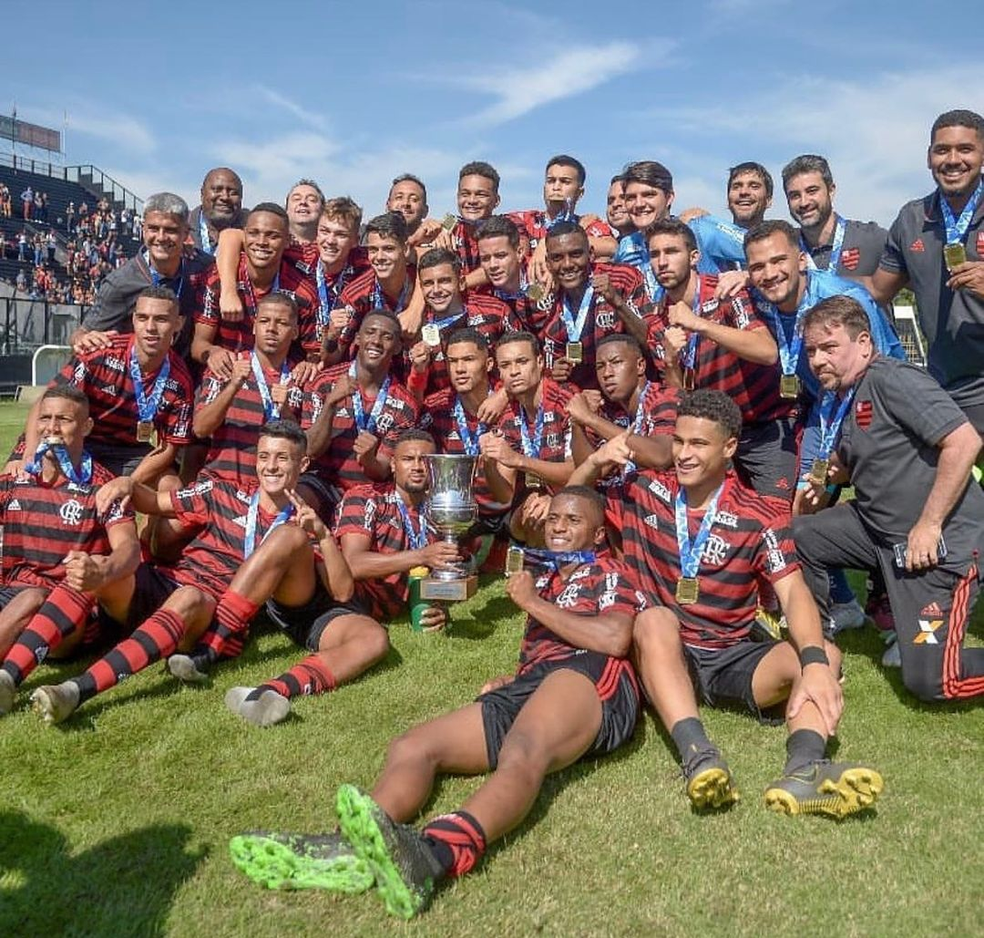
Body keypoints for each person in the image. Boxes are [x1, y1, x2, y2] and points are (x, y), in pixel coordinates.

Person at [230, 486, 645, 919]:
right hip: (537, 685)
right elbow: (542, 654)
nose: (558, 527)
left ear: (598, 534)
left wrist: (532, 604)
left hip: (589, 677)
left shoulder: (608, 571)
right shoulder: (544, 577)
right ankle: (348, 849)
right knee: (413, 746)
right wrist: (514, 677)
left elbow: (614, 639)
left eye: (573, 521)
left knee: (522, 751)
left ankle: (433, 855)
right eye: (554, 518)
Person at [573, 390, 883, 817]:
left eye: (698, 444)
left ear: (730, 447)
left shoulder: (759, 514)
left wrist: (812, 664)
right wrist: (593, 462)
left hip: (729, 655)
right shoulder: (644, 490)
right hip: (665, 653)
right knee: (654, 619)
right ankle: (699, 754)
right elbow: (571, 505)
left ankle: (806, 767)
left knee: (824, 654)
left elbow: (792, 590)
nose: (683, 454)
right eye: (679, 441)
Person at [28, 422, 320, 724]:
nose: (270, 466)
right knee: (99, 567)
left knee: (189, 596)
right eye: (264, 456)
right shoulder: (221, 491)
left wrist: (322, 538)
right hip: (166, 583)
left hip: (205, 612)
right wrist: (128, 484)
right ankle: (8, 677)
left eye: (282, 458)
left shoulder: (302, 529)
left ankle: (75, 690)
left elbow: (328, 589)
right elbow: (154, 502)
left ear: (304, 463)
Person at [793, 296, 984, 701]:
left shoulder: (892, 379)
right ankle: (817, 645)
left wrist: (929, 526)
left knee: (932, 681)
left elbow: (964, 442)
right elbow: (859, 456)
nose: (817, 360)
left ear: (864, 343)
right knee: (801, 534)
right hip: (881, 534)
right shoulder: (848, 392)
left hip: (938, 551)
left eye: (829, 348)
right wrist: (832, 475)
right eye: (811, 350)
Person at [0, 387, 139, 714]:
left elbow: (129, 549)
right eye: (45, 419)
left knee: (33, 596)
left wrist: (103, 571)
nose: (51, 428)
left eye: (63, 420)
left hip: (64, 617)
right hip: (9, 592)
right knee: (23, 595)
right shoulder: (17, 478)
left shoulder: (102, 487)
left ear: (87, 427)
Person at [645, 218, 786, 499]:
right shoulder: (656, 318)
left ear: (695, 256)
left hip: (763, 427)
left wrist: (700, 324)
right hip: (713, 438)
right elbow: (679, 393)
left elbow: (767, 351)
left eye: (671, 252)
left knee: (777, 516)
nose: (662, 262)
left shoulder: (724, 292)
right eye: (654, 254)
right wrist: (672, 361)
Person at [867, 109, 984, 437]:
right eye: (942, 149)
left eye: (965, 149)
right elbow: (877, 290)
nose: (952, 159)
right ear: (929, 157)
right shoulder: (912, 219)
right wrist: (806, 277)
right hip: (944, 386)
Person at [9, 286, 193, 484]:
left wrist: (127, 483)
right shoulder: (100, 354)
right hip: (78, 442)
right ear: (133, 320)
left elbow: (169, 448)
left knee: (171, 485)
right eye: (142, 318)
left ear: (178, 323)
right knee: (13, 477)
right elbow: (48, 400)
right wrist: (25, 453)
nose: (150, 327)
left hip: (129, 453)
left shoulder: (180, 381)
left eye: (161, 319)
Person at [299, 310, 419, 520]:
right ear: (357, 338)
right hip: (325, 485)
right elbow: (310, 450)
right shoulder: (323, 383)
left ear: (398, 347)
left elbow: (382, 470)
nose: (376, 341)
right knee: (297, 498)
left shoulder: (405, 404)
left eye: (387, 336)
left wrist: (368, 458)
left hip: (371, 492)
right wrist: (330, 403)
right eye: (370, 333)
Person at [73, 192, 210, 358]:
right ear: (143, 230)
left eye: (171, 230)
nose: (161, 237)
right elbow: (81, 333)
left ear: (186, 233)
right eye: (153, 228)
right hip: (138, 376)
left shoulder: (202, 266)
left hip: (186, 374)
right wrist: (82, 339)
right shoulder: (120, 283)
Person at [420, 328, 516, 564]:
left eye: (469, 360)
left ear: (489, 363)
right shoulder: (436, 407)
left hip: (508, 506)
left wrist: (506, 392)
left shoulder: (513, 406)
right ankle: (479, 546)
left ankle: (505, 543)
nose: (459, 369)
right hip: (458, 510)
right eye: (453, 361)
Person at [194, 292, 305, 482]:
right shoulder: (227, 366)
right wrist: (233, 387)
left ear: (295, 332)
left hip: (273, 492)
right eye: (264, 321)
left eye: (282, 323)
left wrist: (286, 413)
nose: (271, 328)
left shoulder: (302, 378)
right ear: (254, 327)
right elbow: (200, 429)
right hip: (222, 483)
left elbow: (308, 447)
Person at [193, 203, 320, 369]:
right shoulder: (217, 280)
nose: (261, 242)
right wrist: (213, 353)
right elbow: (199, 345)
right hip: (227, 373)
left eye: (272, 236)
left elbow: (313, 353)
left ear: (287, 241)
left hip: (278, 380)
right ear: (244, 236)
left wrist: (307, 365)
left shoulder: (302, 293)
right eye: (254, 233)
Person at [480, 332, 573, 546]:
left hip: (581, 494)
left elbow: (577, 472)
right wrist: (489, 462)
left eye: (522, 362)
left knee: (545, 514)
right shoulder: (507, 413)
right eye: (505, 365)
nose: (514, 371)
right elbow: (504, 495)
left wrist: (519, 460)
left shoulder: (565, 401)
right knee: (529, 512)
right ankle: (541, 567)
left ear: (540, 362)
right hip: (536, 498)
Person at [541, 222, 655, 389]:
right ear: (548, 262)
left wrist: (617, 303)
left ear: (591, 254)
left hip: (636, 394)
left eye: (575, 254)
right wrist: (554, 372)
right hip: (587, 398)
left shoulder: (622, 278)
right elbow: (550, 368)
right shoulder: (547, 300)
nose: (567, 264)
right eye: (557, 258)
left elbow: (652, 342)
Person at [405, 248, 507, 399]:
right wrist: (418, 370)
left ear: (460, 282)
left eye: (444, 281)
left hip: (501, 407)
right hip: (449, 419)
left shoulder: (495, 311)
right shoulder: (415, 330)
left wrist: (502, 396)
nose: (436, 290)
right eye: (428, 283)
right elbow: (413, 400)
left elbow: (525, 361)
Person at [323, 212, 418, 364]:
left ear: (405, 249)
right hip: (373, 374)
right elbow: (330, 359)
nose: (379, 257)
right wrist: (331, 336)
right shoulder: (355, 295)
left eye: (388, 249)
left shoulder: (422, 279)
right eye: (373, 250)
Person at [781, 155, 887, 277]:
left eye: (812, 191)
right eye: (795, 196)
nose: (804, 202)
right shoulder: (785, 248)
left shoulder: (869, 239)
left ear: (831, 191)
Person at [476, 214, 552, 337]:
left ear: (519, 252)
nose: (493, 265)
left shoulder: (545, 275)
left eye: (501, 256)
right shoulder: (483, 294)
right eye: (485, 258)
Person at [188, 167, 246, 256]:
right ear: (202, 193)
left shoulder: (252, 234)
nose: (225, 197)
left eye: (233, 192)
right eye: (217, 190)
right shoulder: (181, 229)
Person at [285, 179, 325, 246]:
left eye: (312, 200)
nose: (303, 202)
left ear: (322, 210)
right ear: (286, 209)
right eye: (296, 199)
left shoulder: (331, 247)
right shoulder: (275, 247)